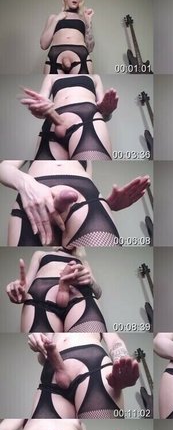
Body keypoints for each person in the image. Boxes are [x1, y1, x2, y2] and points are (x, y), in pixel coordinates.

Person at [0, 160, 150, 247]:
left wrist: (107, 205)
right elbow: (3, 167)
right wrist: (26, 184)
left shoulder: (86, 159)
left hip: (83, 200)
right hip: (35, 197)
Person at [27, 332, 139, 419]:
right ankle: (59, 366)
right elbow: (42, 360)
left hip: (92, 365)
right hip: (52, 368)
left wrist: (121, 364)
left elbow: (114, 341)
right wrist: (39, 344)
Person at [6, 247, 106, 333]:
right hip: (40, 301)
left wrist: (91, 281)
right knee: (44, 345)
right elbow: (26, 286)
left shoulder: (83, 262)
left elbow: (98, 293)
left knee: (83, 343)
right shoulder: (40, 254)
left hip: (81, 299)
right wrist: (19, 290)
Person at [20, 74, 118, 161]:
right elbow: (41, 106)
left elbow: (105, 114)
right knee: (46, 174)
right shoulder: (51, 76)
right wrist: (38, 108)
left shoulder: (95, 76)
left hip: (87, 120)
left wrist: (107, 112)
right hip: (52, 121)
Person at [40, 0, 95, 74]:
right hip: (55, 57)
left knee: (83, 83)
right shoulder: (53, 17)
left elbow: (90, 48)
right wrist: (56, 19)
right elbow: (43, 45)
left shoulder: (83, 18)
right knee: (52, 83)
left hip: (81, 57)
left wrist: (89, 23)